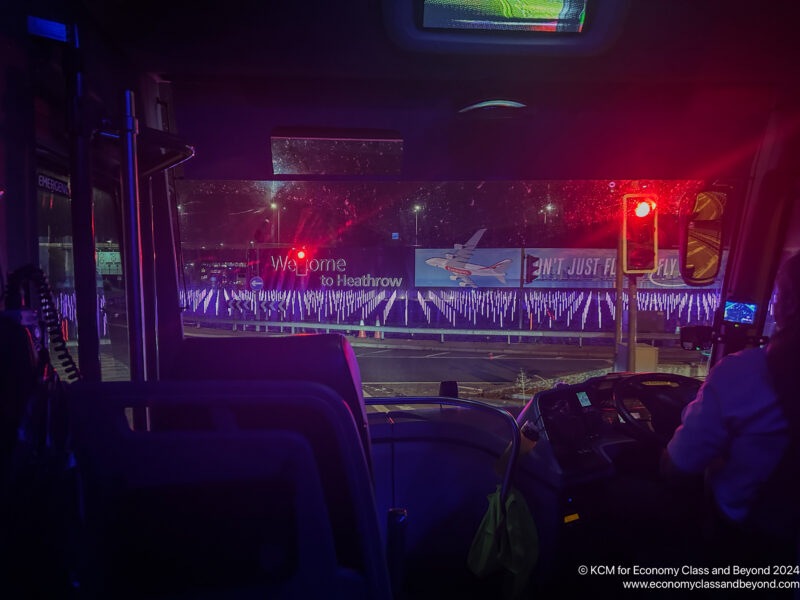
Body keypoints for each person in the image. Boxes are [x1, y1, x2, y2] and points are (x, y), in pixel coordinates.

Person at [663, 251, 800, 559]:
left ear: (788, 303)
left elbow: (677, 469)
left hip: (750, 547)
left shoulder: (743, 373)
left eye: (777, 295)